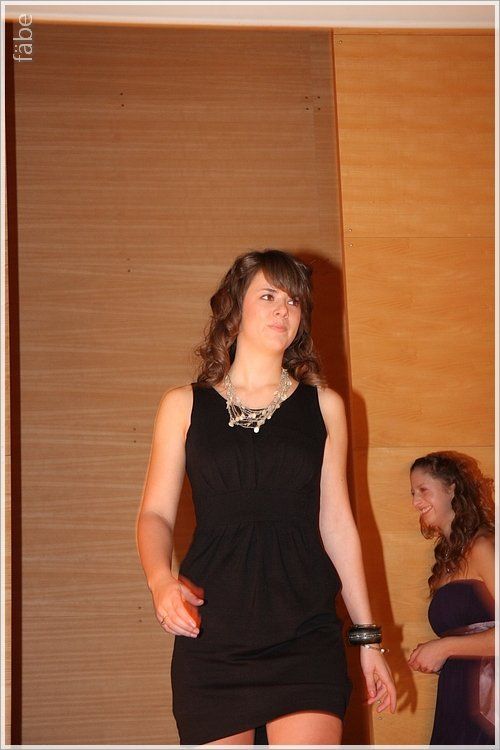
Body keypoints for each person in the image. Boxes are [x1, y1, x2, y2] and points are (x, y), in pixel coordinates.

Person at [136, 249, 396, 745]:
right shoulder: (183, 405)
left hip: (305, 634)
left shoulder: (324, 406)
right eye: (269, 296)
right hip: (213, 635)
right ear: (235, 308)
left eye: (294, 301)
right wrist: (160, 580)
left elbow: (337, 525)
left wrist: (368, 639)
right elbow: (154, 514)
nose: (284, 309)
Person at [408, 451, 495, 745]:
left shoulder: (483, 546)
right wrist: (435, 653)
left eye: (423, 490)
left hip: (489, 701)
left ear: (452, 489)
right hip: (457, 695)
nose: (415, 502)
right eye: (412, 493)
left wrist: (444, 647)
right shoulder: (447, 560)